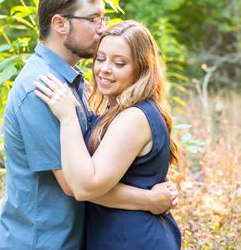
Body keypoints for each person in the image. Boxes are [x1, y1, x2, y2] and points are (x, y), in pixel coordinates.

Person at [0, 0, 178, 250]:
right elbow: (75, 184)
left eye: (103, 19)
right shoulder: (41, 89)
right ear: (60, 24)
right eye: (93, 19)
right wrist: (149, 200)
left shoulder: (72, 80)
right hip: (42, 242)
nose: (102, 29)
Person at [33, 20, 182, 249]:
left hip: (132, 239)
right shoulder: (118, 112)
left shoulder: (134, 117)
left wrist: (68, 117)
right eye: (100, 58)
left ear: (141, 69)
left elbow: (84, 186)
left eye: (119, 63)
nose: (104, 68)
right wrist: (150, 200)